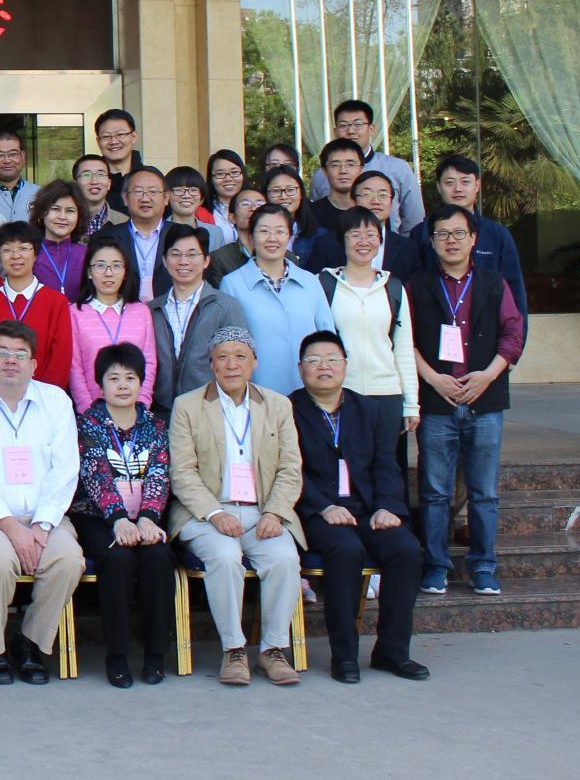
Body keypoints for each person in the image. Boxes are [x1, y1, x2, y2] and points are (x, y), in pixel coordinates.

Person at [0, 320, 86, 685]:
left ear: (33, 364)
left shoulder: (56, 401)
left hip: (44, 516)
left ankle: (30, 642)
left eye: (21, 355)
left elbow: (65, 469)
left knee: (68, 559)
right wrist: (11, 528)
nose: (11, 361)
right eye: (2, 353)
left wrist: (41, 524)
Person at [167, 326, 305, 686]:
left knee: (284, 558)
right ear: (211, 363)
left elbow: (291, 468)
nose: (232, 365)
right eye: (223, 357)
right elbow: (182, 472)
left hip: (263, 512)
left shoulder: (278, 405)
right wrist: (215, 513)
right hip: (206, 512)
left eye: (241, 356)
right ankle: (233, 650)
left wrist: (275, 512)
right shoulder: (188, 406)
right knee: (226, 557)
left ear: (254, 362)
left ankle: (273, 650)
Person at [291, 331, 429, 683]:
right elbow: (288, 470)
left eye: (332, 359)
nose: (324, 366)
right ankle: (344, 656)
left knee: (406, 550)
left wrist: (388, 507)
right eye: (314, 360)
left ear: (346, 365)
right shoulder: (287, 410)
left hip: (367, 508)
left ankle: (392, 652)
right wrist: (322, 507)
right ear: (301, 368)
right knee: (346, 550)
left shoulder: (369, 410)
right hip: (316, 512)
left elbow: (386, 464)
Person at [411, 203, 524, 597]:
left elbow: (513, 334)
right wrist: (433, 379)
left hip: (484, 399)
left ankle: (483, 566)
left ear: (474, 239)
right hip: (436, 401)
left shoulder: (494, 282)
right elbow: (403, 340)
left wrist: (488, 375)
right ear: (432, 241)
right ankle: (435, 566)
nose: (451, 241)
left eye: (459, 233)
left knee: (484, 493)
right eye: (442, 234)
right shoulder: (417, 285)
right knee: (434, 493)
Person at [72, 342, 174, 687]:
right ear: (100, 383)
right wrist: (117, 519)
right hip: (97, 517)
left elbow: (159, 473)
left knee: (158, 556)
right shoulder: (88, 424)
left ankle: (156, 654)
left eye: (130, 377)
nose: (122, 385)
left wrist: (148, 518)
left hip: (144, 517)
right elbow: (95, 474)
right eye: (113, 378)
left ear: (141, 382)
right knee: (118, 559)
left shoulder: (155, 426)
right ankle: (117, 656)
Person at [316, 209, 420, 469]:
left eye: (371, 235)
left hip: (386, 394)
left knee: (386, 470)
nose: (363, 241)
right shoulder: (323, 284)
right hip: (340, 392)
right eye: (355, 234)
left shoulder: (393, 287)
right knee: (343, 470)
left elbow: (403, 349)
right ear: (342, 239)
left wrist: (411, 404)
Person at [220, 205, 336, 397]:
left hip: (311, 392)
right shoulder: (232, 284)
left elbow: (328, 335)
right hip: (258, 394)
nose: (272, 238)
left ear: (289, 236)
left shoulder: (310, 281)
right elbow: (230, 345)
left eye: (280, 231)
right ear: (251, 237)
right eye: (264, 231)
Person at [151, 225, 248, 420]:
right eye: (175, 254)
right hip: (161, 414)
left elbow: (240, 360)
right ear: (165, 260)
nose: (183, 261)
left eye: (192, 254)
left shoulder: (225, 307)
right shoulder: (152, 310)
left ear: (206, 261)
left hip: (211, 412)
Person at [420, 154, 530, 320]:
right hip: (434, 327)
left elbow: (515, 290)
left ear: (477, 185)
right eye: (450, 182)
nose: (458, 189)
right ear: (439, 187)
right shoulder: (421, 232)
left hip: (489, 329)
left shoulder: (497, 234)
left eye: (465, 182)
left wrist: (516, 334)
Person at [0, 221, 71, 390]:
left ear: (35, 254)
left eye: (23, 248)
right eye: (7, 250)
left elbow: (61, 358)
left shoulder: (56, 301)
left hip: (44, 397)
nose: (15, 256)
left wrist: (42, 395)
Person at [68, 235, 157, 414]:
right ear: (89, 272)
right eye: (100, 265)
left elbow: (149, 362)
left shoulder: (141, 311)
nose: (108, 273)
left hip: (135, 413)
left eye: (116, 266)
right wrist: (89, 412)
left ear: (125, 272)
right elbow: (74, 368)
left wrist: (141, 408)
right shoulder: (75, 313)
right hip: (92, 413)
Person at [308, 100, 427, 234]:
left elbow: (414, 220)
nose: (351, 131)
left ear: (371, 129)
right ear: (335, 131)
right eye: (343, 125)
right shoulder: (320, 175)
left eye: (358, 124)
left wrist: (398, 245)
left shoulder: (398, 168)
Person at [307, 170, 423, 281]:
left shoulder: (408, 249)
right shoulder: (326, 245)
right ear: (353, 201)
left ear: (391, 203)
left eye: (383, 195)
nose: (376, 201)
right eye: (367, 194)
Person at [113, 165, 174, 299]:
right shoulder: (107, 237)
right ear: (125, 198)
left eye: (153, 191)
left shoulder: (182, 235)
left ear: (166, 197)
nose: (145, 198)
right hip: (122, 309)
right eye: (138, 191)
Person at [28, 178, 87, 301]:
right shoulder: (29, 253)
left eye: (70, 211)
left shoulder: (87, 254)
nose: (62, 216)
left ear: (79, 216)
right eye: (55, 209)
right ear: (42, 212)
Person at [208, 187, 269, 285]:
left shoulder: (286, 256)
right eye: (245, 204)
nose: (253, 208)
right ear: (232, 217)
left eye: (260, 204)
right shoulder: (219, 258)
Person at [262, 166, 321, 265]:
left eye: (290, 190)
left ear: (301, 193)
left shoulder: (318, 236)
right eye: (276, 191)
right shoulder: (257, 235)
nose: (284, 196)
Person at [306, 138, 365, 236]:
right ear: (324, 171)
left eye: (350, 164)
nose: (343, 171)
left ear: (361, 170)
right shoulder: (311, 214)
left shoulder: (371, 210)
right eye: (335, 165)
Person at [93, 108, 142, 212]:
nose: (114, 141)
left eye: (120, 134)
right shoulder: (91, 182)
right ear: (98, 141)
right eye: (106, 136)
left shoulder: (150, 177)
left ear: (134, 136)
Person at [203, 149, 248, 249]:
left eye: (234, 172)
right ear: (211, 179)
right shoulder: (202, 214)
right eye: (220, 174)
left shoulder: (256, 207)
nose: (228, 178)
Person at [164, 166, 215, 248]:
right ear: (166, 196)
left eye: (193, 190)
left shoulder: (215, 233)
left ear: (201, 199)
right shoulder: (158, 232)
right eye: (178, 190)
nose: (186, 196)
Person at [71, 155, 119, 238]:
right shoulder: (63, 220)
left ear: (109, 184)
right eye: (86, 175)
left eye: (101, 174)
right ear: (75, 184)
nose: (94, 181)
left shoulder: (124, 221)